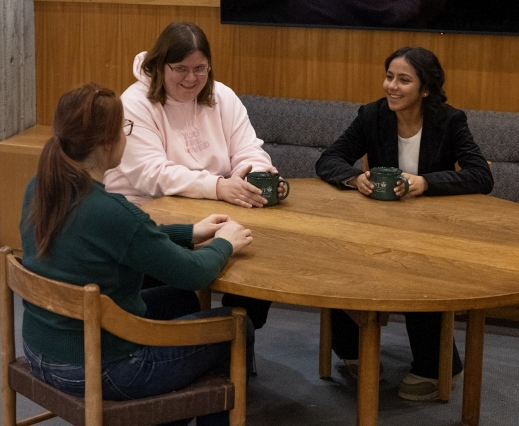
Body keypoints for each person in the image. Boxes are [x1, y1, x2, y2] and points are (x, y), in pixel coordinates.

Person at [20, 83, 254, 426]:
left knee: (182, 301)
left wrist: (189, 232)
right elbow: (195, 273)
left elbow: (120, 241)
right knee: (237, 326)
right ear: (106, 143)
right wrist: (225, 242)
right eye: (124, 129)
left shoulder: (41, 186)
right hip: (102, 370)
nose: (127, 137)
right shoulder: (110, 210)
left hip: (41, 351)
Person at [315, 46, 493, 401]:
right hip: (380, 224)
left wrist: (426, 182)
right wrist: (355, 179)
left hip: (433, 228)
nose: (392, 87)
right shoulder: (372, 116)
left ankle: (436, 365)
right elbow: (329, 159)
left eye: (403, 80)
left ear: (425, 88)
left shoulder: (449, 119)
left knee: (419, 272)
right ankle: (352, 349)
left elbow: (480, 175)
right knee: (338, 261)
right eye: (389, 77)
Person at [104, 22, 280, 328]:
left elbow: (249, 149)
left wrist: (251, 178)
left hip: (214, 206)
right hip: (150, 210)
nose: (191, 78)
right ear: (160, 65)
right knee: (183, 282)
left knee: (259, 246)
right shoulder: (134, 103)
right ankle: (213, 335)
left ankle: (237, 328)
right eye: (180, 68)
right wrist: (218, 186)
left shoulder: (222, 96)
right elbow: (151, 173)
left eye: (200, 68)